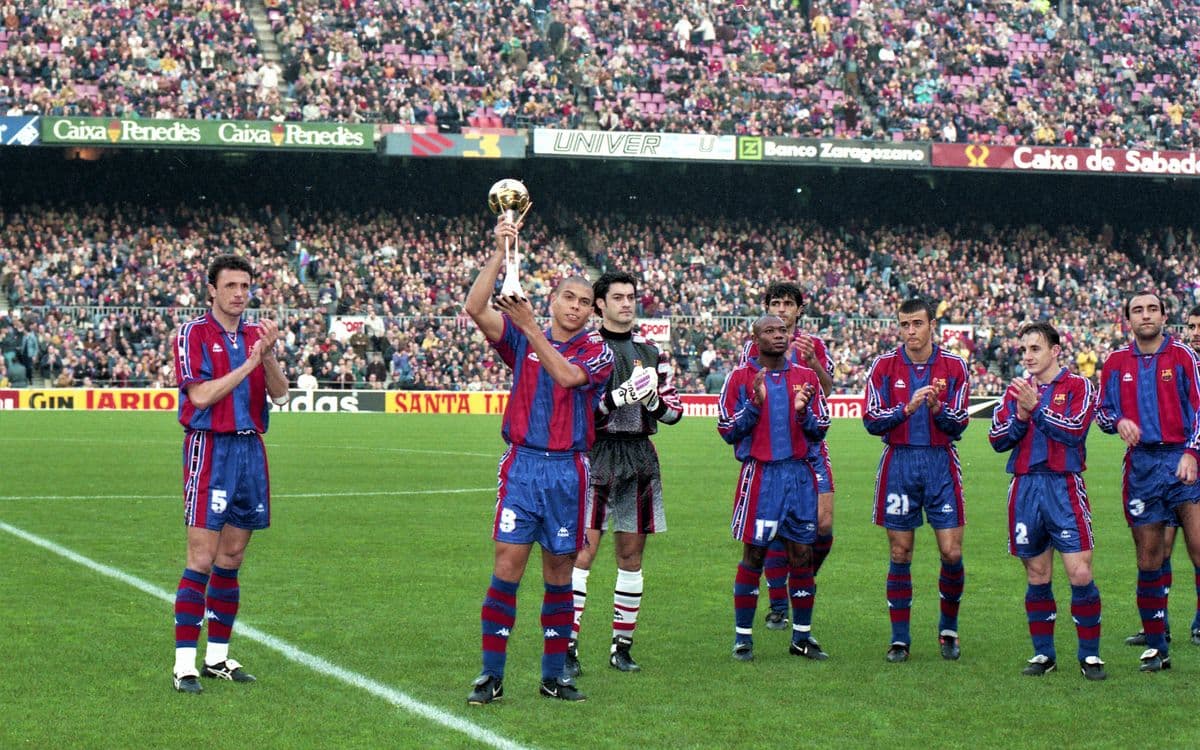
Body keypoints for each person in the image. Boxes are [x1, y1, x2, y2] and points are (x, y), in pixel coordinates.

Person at [464, 216, 614, 705]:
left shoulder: (597, 351)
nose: (575, 307)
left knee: (559, 575)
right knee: (506, 568)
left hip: (569, 471)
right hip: (523, 467)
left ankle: (554, 675)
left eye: (584, 302)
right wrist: (499, 250)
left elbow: (569, 377)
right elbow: (474, 307)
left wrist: (529, 327)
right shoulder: (520, 338)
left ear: (592, 312)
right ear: (552, 299)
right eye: (568, 298)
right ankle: (491, 674)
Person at [170, 254, 289, 694]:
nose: (240, 293)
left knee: (232, 558)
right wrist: (248, 364)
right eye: (231, 286)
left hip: (250, 449)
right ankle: (184, 665)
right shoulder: (193, 334)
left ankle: (217, 657)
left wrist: (269, 356)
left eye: (245, 286)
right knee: (201, 558)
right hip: (211, 446)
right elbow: (200, 396)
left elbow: (280, 394)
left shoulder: (259, 336)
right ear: (212, 291)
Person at [566, 271, 683, 677]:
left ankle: (622, 647)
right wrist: (616, 399)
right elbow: (575, 411)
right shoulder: (585, 348)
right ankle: (568, 646)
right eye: (617, 297)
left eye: (631, 297)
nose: (627, 304)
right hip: (594, 456)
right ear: (599, 304)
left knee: (631, 556)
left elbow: (674, 413)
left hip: (639, 457)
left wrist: (650, 400)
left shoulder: (650, 352)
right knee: (583, 553)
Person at [989, 323, 1106, 680]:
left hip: (1064, 486)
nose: (1027, 355)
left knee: (1080, 572)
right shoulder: (1016, 391)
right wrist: (1022, 417)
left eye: (1035, 348)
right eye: (1024, 349)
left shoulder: (1079, 386)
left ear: (1056, 350)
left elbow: (1073, 431)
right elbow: (997, 439)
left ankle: (1089, 656)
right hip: (1025, 488)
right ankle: (1044, 654)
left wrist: (1035, 409)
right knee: (1038, 574)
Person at [1097, 291, 1200, 672]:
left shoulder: (1184, 357)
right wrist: (1117, 422)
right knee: (1149, 558)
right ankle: (1157, 647)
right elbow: (1103, 412)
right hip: (1141, 467)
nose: (1145, 315)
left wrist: (1193, 452)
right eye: (1138, 310)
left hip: (1181, 461)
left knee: (1199, 547)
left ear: (1163, 316)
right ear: (1128, 319)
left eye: (1152, 309)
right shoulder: (1115, 362)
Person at [863, 297, 970, 663]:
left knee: (951, 552)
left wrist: (938, 409)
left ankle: (948, 630)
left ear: (931, 325)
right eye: (905, 324)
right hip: (900, 463)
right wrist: (905, 409)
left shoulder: (954, 366)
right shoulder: (883, 366)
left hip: (941, 462)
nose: (911, 331)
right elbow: (871, 420)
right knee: (900, 552)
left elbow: (959, 424)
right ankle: (899, 639)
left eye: (917, 324)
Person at [719, 315, 830, 662]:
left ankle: (801, 637)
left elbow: (821, 427)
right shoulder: (740, 378)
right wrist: (754, 404)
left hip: (799, 476)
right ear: (755, 338)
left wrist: (802, 414)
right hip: (761, 477)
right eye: (770, 331)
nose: (779, 336)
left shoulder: (807, 377)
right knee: (754, 555)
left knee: (802, 555)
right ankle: (742, 639)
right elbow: (726, 429)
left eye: (783, 330)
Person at [738, 282, 836, 631]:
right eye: (775, 303)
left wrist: (812, 363)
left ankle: (801, 581)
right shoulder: (753, 348)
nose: (782, 309)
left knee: (822, 527)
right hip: (771, 452)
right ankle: (779, 603)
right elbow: (745, 390)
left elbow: (826, 391)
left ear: (799, 310)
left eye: (788, 304)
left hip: (810, 450)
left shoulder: (814, 346)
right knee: (774, 530)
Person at [1125, 302, 1200, 648]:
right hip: (1165, 465)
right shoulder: (1175, 360)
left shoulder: (1183, 360)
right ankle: (1159, 625)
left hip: (1191, 461)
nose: (1196, 333)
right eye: (1192, 326)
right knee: (1162, 547)